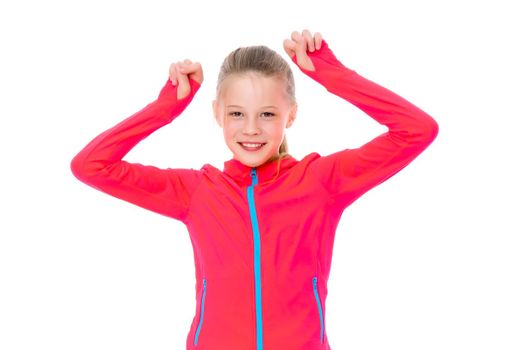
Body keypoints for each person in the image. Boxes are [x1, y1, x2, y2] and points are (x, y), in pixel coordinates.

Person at [70, 29, 439, 350]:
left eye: (267, 114)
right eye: (236, 113)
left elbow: (417, 130)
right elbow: (90, 165)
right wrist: (166, 107)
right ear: (217, 113)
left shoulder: (321, 182)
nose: (250, 129)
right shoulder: (196, 191)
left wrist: (332, 74)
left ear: (290, 115)